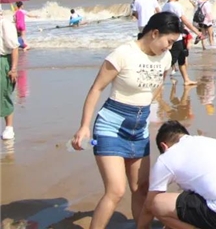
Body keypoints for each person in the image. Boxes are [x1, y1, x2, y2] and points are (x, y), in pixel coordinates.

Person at [71, 12, 182, 229]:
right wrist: (84, 126)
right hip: (111, 126)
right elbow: (96, 89)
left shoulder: (165, 58)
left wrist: (146, 105)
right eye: (169, 41)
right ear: (155, 33)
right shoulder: (123, 54)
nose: (169, 47)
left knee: (141, 188)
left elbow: (160, 81)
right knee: (116, 190)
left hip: (139, 128)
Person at [162, 0, 202, 86]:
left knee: (182, 59)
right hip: (176, 38)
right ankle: (159, 82)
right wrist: (197, 31)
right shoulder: (176, 6)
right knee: (170, 62)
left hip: (170, 36)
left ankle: (186, 80)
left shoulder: (165, 6)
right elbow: (185, 21)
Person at [1, 8, 20, 140]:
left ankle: (9, 128)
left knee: (3, 93)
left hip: (3, 60)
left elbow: (14, 47)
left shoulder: (5, 24)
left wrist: (13, 69)